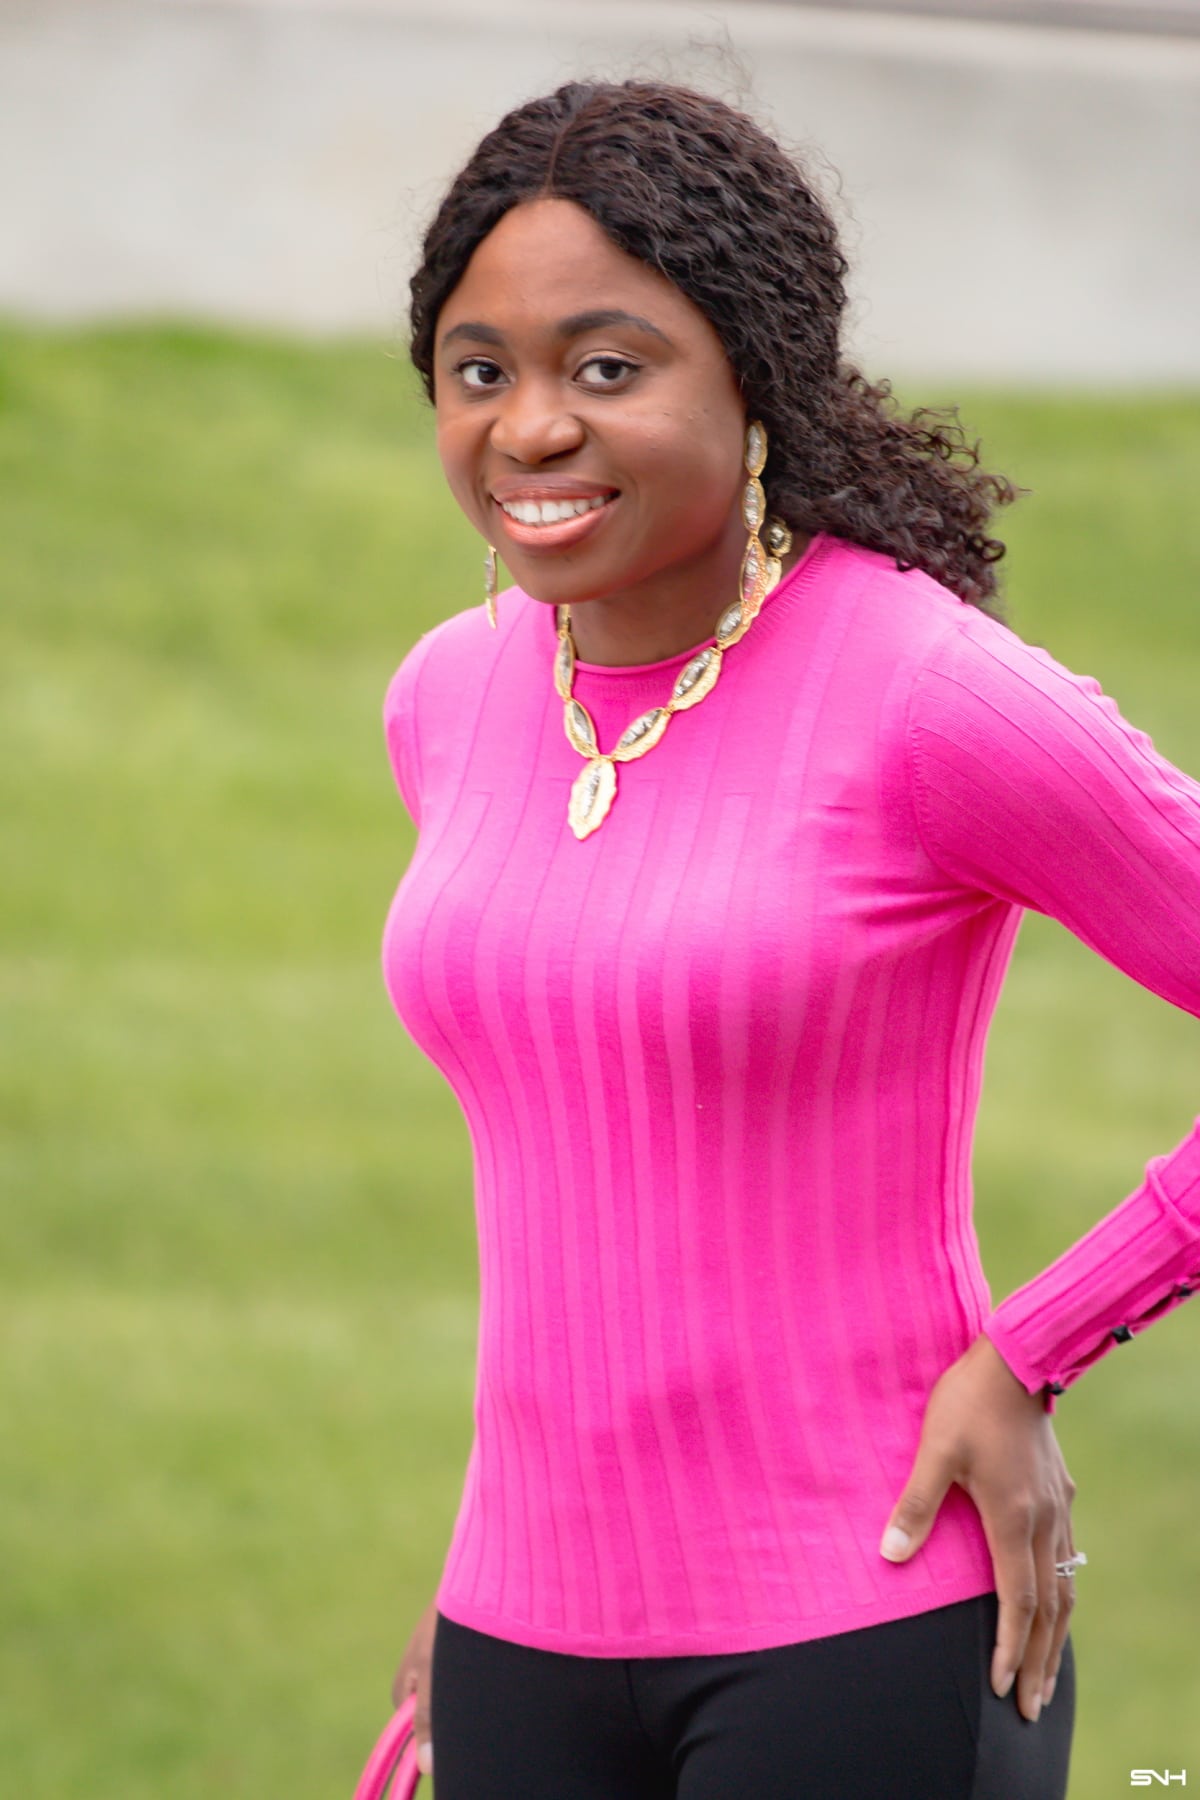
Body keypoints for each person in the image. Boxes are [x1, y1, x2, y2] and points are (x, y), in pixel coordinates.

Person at [381, 81, 1200, 1799]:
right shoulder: (450, 699)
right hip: (520, 1628)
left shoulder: (925, 693)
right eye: (480, 370)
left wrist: (1038, 1339)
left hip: (858, 1623)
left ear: (754, 376)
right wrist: (472, 1598)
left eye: (607, 368)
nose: (531, 427)